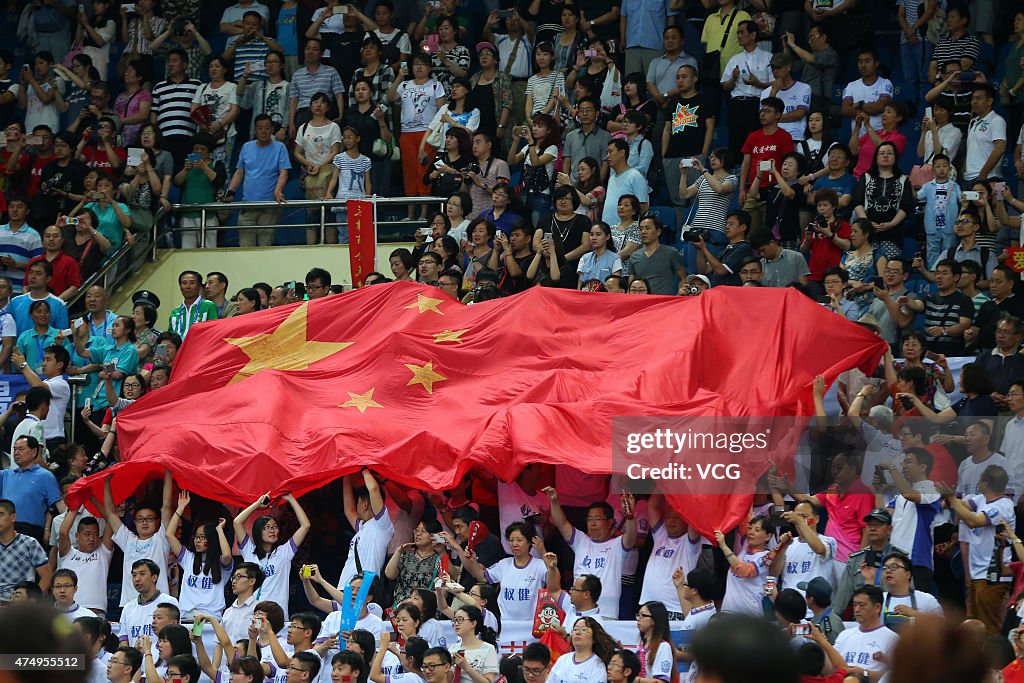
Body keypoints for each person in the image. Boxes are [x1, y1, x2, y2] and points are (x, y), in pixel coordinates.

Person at [99, 470, 173, 606]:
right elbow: (110, 513)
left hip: (159, 605)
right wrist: (106, 482)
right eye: (140, 519)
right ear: (135, 522)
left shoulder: (161, 539)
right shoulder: (128, 540)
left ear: (158, 522)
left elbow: (167, 507)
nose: (144, 522)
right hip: (130, 605)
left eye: (149, 519)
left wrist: (168, 473)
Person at [232, 490, 310, 612]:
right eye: (267, 527)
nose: (272, 530)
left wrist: (290, 498)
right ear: (258, 531)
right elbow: (237, 522)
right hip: (251, 613)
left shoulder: (284, 552)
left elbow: (305, 525)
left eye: (274, 527)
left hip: (277, 615)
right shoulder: (249, 551)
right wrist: (257, 505)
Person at [222, 114, 290, 247]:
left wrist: (278, 191)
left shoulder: (280, 148)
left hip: (269, 205)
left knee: (265, 246)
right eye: (260, 128)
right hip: (248, 204)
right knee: (245, 247)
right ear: (255, 130)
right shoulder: (247, 147)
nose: (263, 131)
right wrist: (230, 191)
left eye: (266, 128)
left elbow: (284, 173)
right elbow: (239, 172)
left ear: (272, 130)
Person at [166, 491, 232, 620]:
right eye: (196, 537)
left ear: (212, 539)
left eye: (202, 538)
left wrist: (219, 530)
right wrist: (180, 508)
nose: (197, 541)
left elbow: (227, 555)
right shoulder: (188, 558)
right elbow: (169, 534)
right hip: (187, 618)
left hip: (212, 620)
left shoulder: (220, 564)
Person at [739, 97, 795, 231]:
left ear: (778, 115)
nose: (762, 114)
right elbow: (745, 163)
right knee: (748, 232)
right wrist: (742, 189)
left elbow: (789, 163)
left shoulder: (784, 137)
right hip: (753, 190)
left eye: (767, 111)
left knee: (767, 232)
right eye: (761, 111)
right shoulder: (753, 136)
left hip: (773, 192)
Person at [901, 259, 974, 355]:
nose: (939, 277)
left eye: (944, 273)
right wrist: (907, 301)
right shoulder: (930, 297)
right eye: (938, 273)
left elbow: (964, 325)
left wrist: (944, 331)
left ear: (956, 277)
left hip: (953, 355)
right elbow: (918, 305)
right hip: (930, 354)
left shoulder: (964, 300)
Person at [721, 21, 772, 155]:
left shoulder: (767, 57)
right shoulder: (734, 59)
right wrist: (733, 78)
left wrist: (758, 84)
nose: (738, 36)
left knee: (756, 142)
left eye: (742, 32)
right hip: (737, 104)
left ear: (753, 35)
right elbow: (725, 86)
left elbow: (776, 83)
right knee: (736, 142)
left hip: (758, 104)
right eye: (737, 32)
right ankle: (737, 172)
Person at [834, 586, 898, 682]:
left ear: (877, 607)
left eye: (862, 605)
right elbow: (831, 668)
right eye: (855, 605)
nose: (857, 609)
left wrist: (864, 673)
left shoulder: (892, 639)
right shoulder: (844, 635)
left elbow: (897, 675)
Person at [718, 515, 774, 615]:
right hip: (727, 614)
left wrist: (723, 546)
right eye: (750, 528)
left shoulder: (766, 557)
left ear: (768, 536)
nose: (751, 532)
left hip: (749, 617)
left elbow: (744, 571)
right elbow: (744, 518)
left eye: (757, 530)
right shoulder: (745, 548)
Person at [118, 559, 179, 643]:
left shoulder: (170, 602)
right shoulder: (127, 608)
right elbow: (123, 640)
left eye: (142, 574)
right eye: (134, 575)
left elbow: (176, 636)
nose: (137, 579)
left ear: (154, 577)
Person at [879, 552, 942, 632]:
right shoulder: (879, 599)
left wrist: (915, 615)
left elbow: (942, 628)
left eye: (893, 567)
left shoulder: (927, 600)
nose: (888, 571)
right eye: (885, 568)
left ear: (908, 574)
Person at [917, 154, 961, 264]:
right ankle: (932, 273)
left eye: (944, 166)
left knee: (948, 251)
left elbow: (962, 199)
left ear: (950, 168)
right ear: (933, 169)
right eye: (938, 166)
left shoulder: (954, 186)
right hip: (932, 225)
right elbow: (917, 197)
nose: (941, 169)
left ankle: (948, 273)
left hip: (949, 225)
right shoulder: (927, 186)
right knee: (932, 251)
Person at [694, 210, 754, 288]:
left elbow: (721, 271)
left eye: (731, 224)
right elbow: (703, 270)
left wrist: (704, 249)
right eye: (726, 224)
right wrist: (700, 250)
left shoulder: (743, 247)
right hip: (718, 293)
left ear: (743, 227)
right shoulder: (726, 250)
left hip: (729, 294)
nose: (727, 227)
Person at [628, 214, 685, 295]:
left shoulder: (671, 253)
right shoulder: (634, 256)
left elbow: (682, 278)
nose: (643, 232)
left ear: (658, 231)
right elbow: (631, 285)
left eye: (648, 228)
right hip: (642, 302)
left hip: (664, 303)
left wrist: (678, 297)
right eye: (641, 229)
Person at [840, 49, 895, 133]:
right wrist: (869, 110)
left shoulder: (885, 83)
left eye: (867, 61)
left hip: (878, 138)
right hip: (857, 139)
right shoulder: (851, 85)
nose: (863, 65)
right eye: (860, 62)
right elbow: (845, 110)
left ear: (876, 63)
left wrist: (859, 104)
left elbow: (880, 107)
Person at [548, 616, 616, 683]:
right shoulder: (562, 659)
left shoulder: (597, 665)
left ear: (594, 638)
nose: (578, 632)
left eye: (584, 630)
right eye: (575, 629)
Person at [963, 84, 1006, 184]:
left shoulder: (997, 120)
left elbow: (1000, 149)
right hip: (970, 178)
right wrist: (964, 168)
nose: (974, 102)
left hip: (991, 179)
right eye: (973, 98)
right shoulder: (973, 121)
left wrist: (983, 174)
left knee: (998, 199)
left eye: (978, 98)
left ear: (989, 101)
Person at [27, 225, 81, 303]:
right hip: (33, 306)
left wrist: (54, 302)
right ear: (43, 240)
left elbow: (74, 288)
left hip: (58, 305)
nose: (51, 239)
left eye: (55, 236)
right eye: (47, 236)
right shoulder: (34, 261)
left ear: (62, 240)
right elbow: (26, 286)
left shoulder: (70, 262)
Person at [602, 138, 649, 227]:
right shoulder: (611, 178)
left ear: (622, 153)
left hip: (625, 232)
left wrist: (628, 227)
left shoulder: (635, 176)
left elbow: (643, 206)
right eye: (607, 153)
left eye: (610, 152)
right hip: (608, 230)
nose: (607, 156)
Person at [0, 196, 42, 294]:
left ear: (27, 211)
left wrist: (15, 265)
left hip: (19, 290)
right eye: (11, 207)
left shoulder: (33, 235)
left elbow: (39, 266)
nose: (15, 210)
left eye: (19, 207)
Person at [168, 270, 218, 339]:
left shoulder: (209, 306)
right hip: (179, 349)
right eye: (184, 283)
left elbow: (213, 332)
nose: (188, 286)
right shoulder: (175, 311)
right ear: (180, 286)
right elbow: (169, 337)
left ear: (199, 286)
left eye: (192, 283)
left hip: (200, 348)